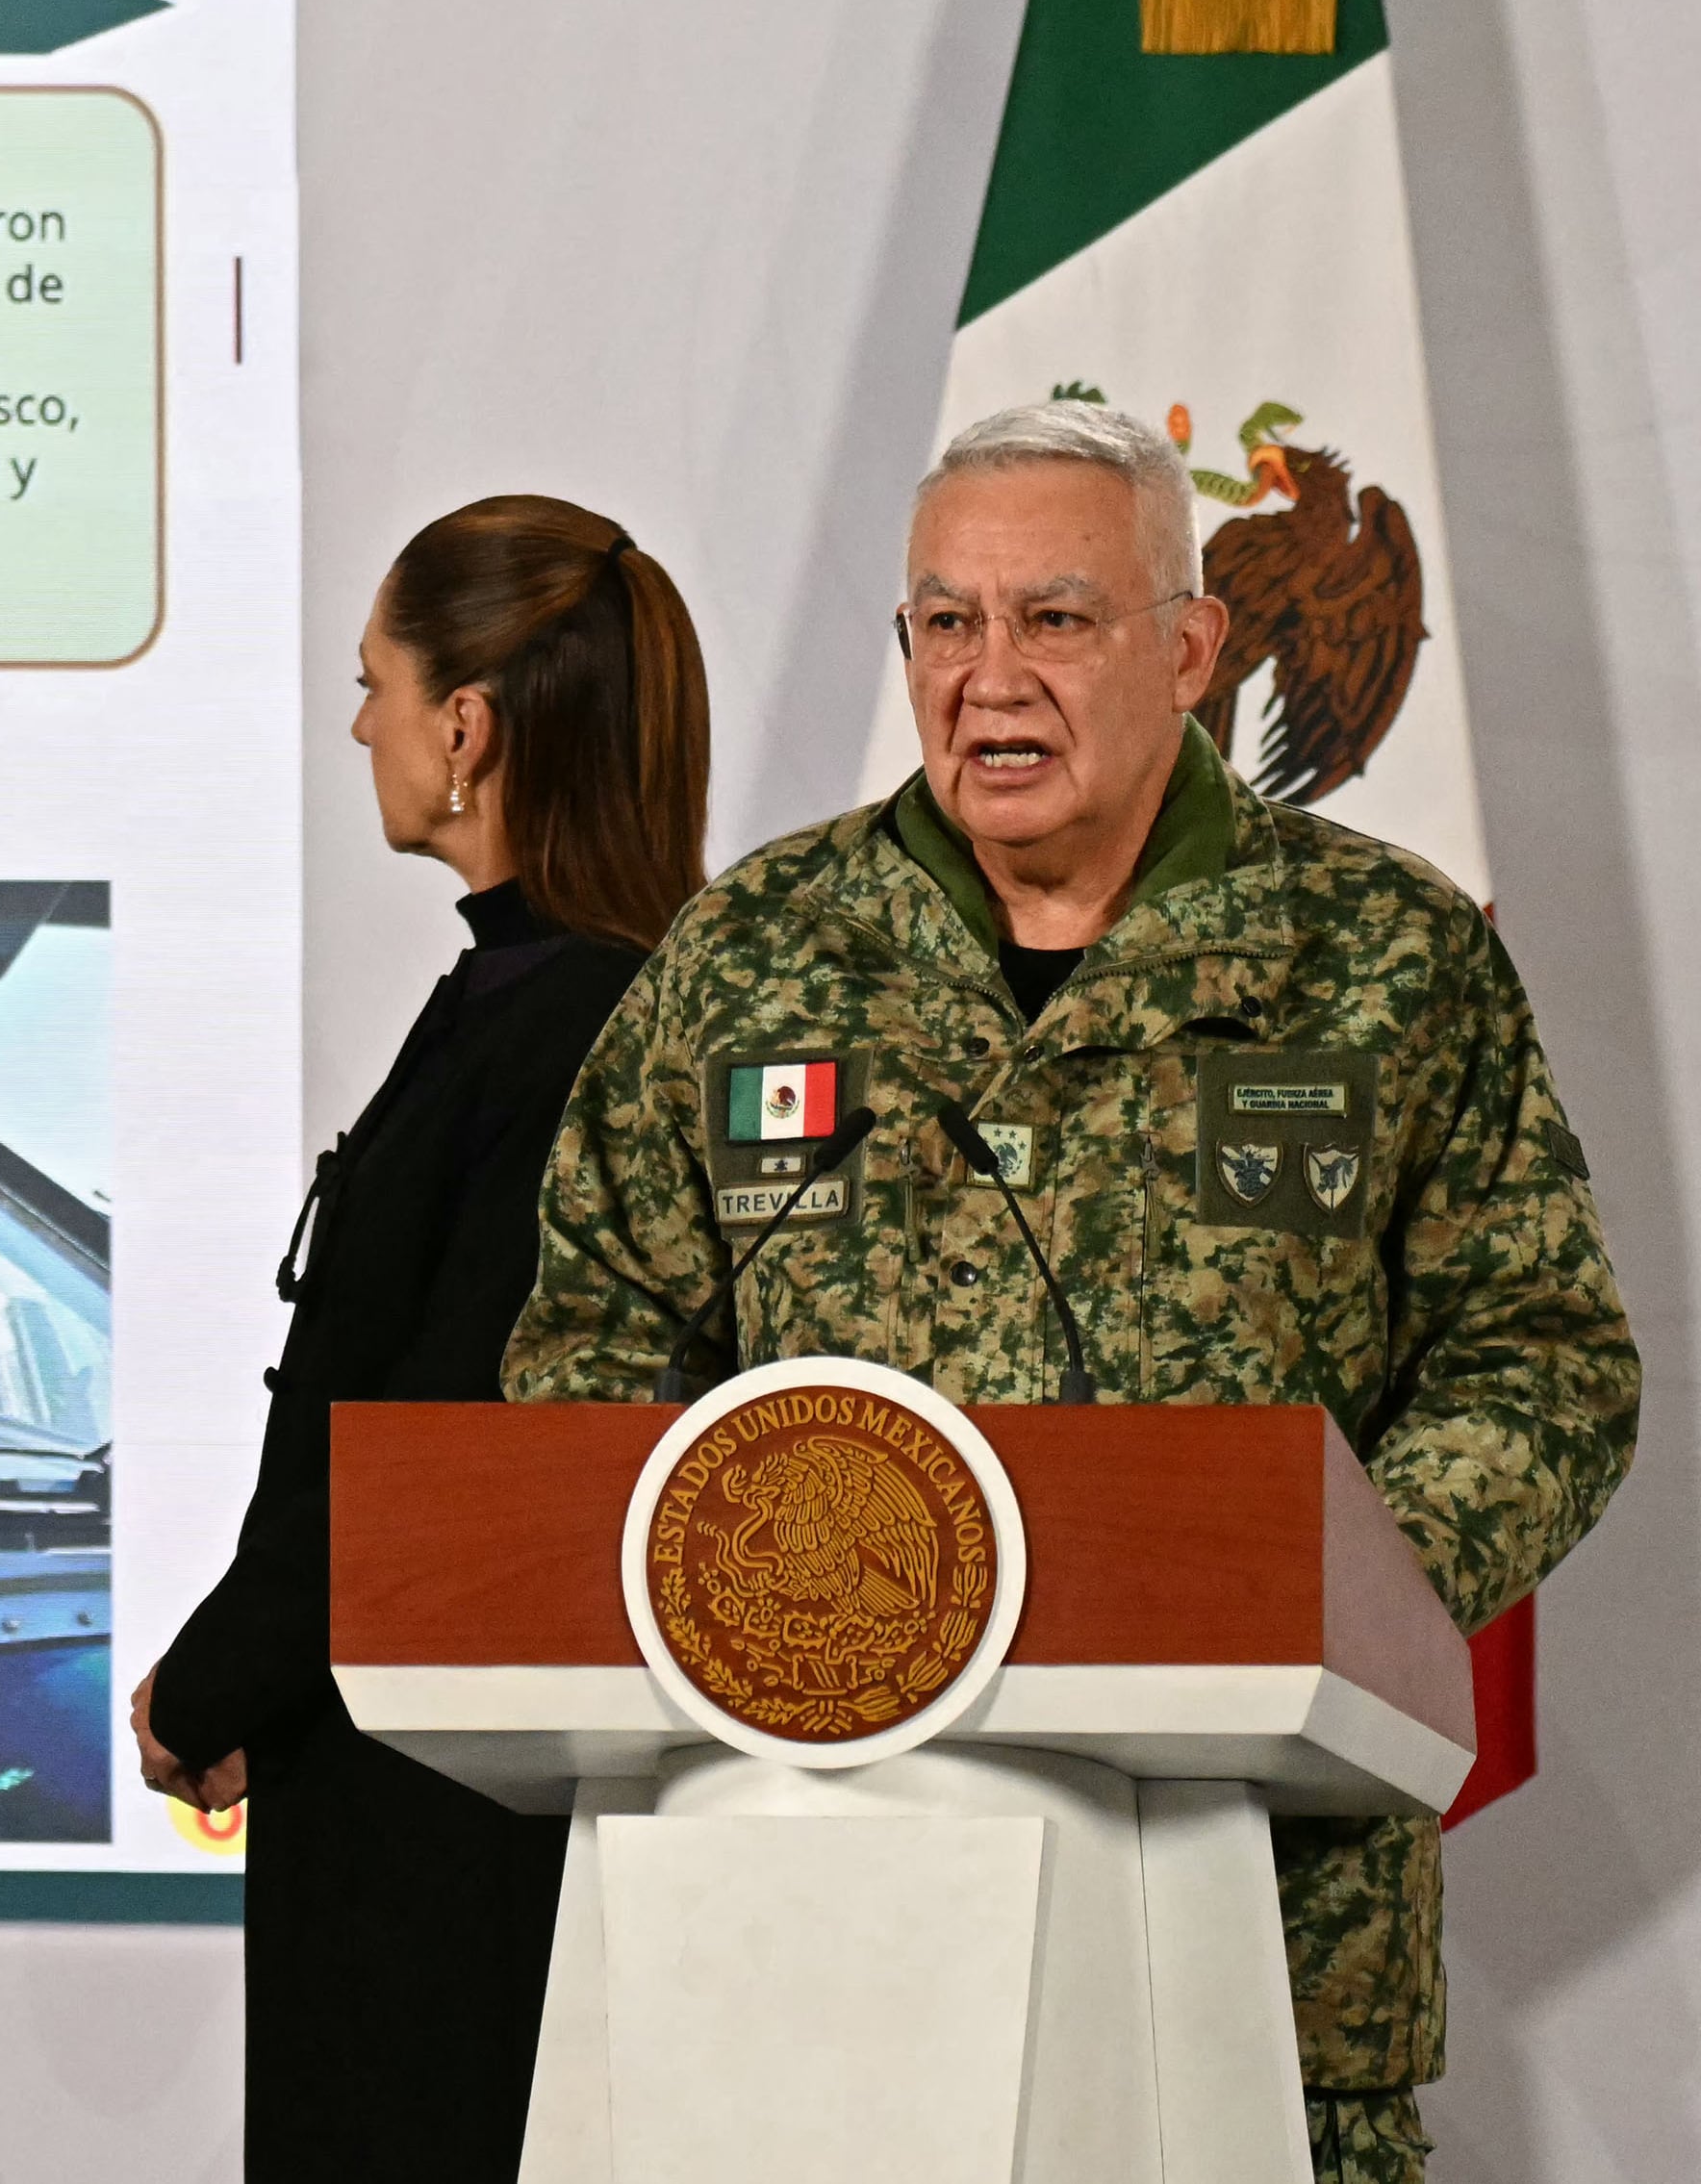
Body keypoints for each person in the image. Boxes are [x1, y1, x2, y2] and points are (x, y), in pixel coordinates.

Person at [505, 401, 1640, 2184]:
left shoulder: (1384, 953)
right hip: (815, 1933)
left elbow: (1545, 1360)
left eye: (1054, 617)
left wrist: (1343, 1578)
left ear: (1190, 649)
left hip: (1262, 1938)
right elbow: (592, 1345)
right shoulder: (753, 954)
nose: (989, 674)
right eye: (944, 623)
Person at [135, 495, 712, 2183]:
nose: (363, 721)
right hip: (405, 1766)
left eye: (377, 679)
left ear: (468, 726)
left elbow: (440, 1438)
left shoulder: (564, 1025)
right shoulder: (545, 997)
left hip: (439, 1821)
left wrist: (215, 1678)